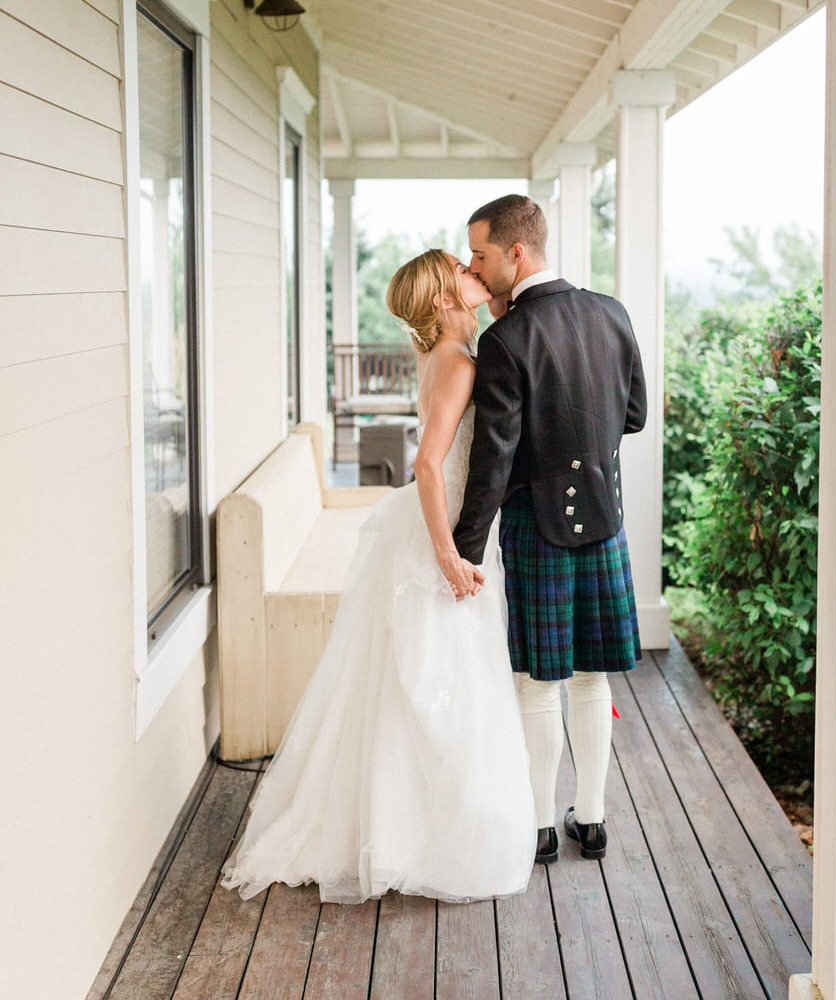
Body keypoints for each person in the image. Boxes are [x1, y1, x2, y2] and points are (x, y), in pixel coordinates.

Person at [220, 250, 536, 904]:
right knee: (435, 683)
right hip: (438, 538)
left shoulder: (451, 353)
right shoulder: (456, 364)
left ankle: (412, 826)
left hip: (441, 531)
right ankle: (421, 837)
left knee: (427, 679)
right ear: (445, 297)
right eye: (463, 269)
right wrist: (449, 554)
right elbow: (427, 465)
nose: (473, 272)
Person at [454, 194, 647, 864]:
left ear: (516, 251)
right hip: (606, 516)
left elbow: (494, 458)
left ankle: (539, 827)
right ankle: (590, 820)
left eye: (479, 253)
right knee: (594, 675)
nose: (471, 265)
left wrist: (462, 549)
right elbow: (635, 414)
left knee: (539, 679)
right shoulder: (610, 312)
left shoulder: (505, 340)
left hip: (540, 524)